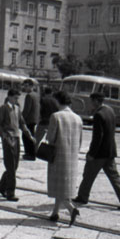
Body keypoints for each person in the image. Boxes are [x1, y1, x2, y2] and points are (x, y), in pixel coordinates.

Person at [73, 92, 120, 210]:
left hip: (99, 153)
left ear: (95, 101)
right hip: (110, 151)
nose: (90, 104)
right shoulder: (110, 111)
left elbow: (97, 137)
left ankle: (82, 197)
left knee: (88, 175)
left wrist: (91, 154)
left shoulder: (98, 115)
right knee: (114, 177)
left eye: (91, 101)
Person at [46, 91, 82, 225]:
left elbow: (50, 139)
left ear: (57, 101)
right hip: (72, 157)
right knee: (64, 186)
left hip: (58, 156)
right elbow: (80, 140)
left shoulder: (56, 116)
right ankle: (55, 213)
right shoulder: (78, 118)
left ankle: (71, 209)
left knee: (58, 186)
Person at [0, 88, 33, 202]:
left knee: (14, 166)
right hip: (8, 138)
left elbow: (22, 123)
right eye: (15, 98)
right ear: (9, 97)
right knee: (10, 166)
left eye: (18, 98)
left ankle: (1, 187)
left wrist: (29, 135)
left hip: (16, 138)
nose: (17, 100)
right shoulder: (3, 108)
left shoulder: (17, 109)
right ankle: (10, 192)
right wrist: (3, 136)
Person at [21, 79, 40, 160]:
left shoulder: (29, 96)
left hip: (29, 119)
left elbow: (27, 109)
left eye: (26, 86)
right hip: (35, 119)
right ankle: (32, 153)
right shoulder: (37, 95)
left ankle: (29, 153)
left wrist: (21, 118)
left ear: (31, 86)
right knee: (31, 136)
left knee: (26, 136)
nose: (25, 88)